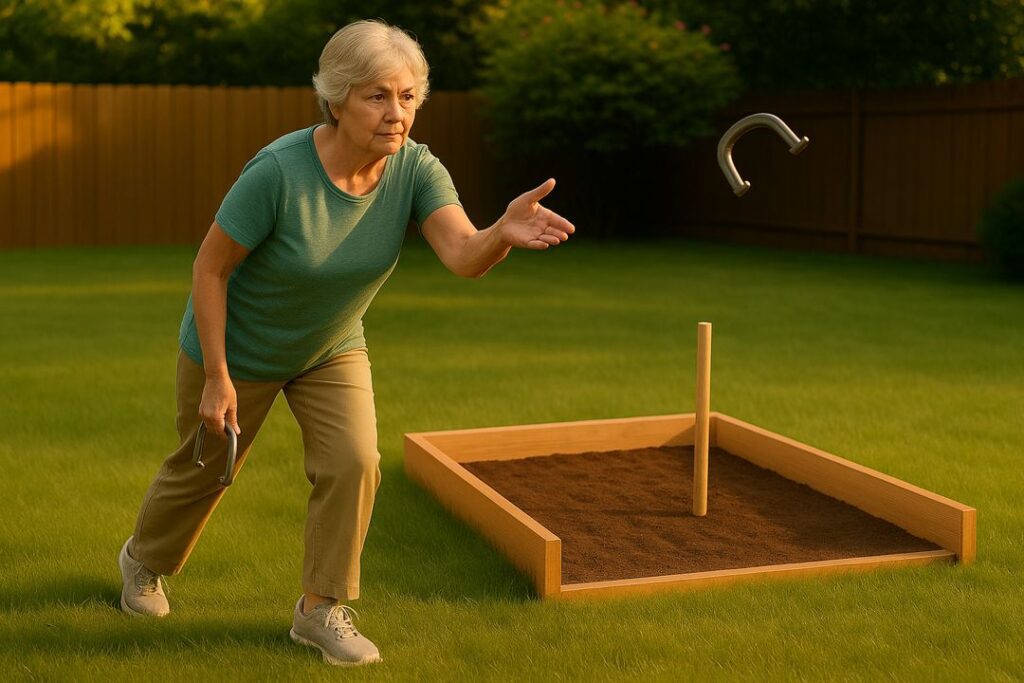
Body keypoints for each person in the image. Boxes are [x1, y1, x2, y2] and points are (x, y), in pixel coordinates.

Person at [117, 18, 575, 667]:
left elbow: (463, 254)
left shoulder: (416, 169)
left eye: (409, 96)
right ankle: (143, 561)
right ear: (337, 99)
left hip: (330, 344)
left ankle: (319, 608)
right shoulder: (278, 172)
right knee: (205, 469)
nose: (397, 113)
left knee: (357, 460)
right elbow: (210, 268)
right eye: (378, 96)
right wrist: (217, 374)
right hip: (238, 346)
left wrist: (500, 230)